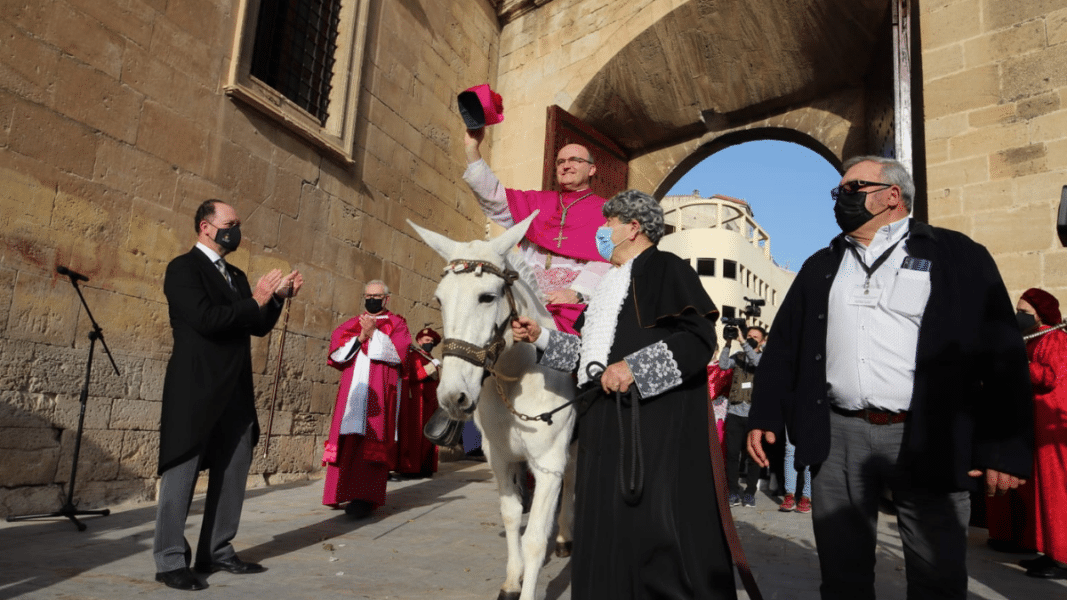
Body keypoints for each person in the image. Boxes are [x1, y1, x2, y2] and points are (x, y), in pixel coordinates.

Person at [747, 156, 1034, 599]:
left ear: (892, 196)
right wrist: (765, 413)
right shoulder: (821, 266)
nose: (839, 199)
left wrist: (1004, 448)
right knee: (843, 577)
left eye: (850, 189)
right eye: (838, 191)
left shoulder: (957, 256)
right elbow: (784, 347)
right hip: (838, 435)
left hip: (928, 435)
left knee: (937, 577)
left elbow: (1002, 355)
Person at [511, 189, 735, 599]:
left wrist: (634, 369)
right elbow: (587, 358)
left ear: (633, 228)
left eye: (608, 224)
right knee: (601, 523)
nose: (601, 231)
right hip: (602, 423)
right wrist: (540, 336)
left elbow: (699, 340)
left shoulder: (666, 268)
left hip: (648, 427)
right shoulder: (608, 283)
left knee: (651, 529)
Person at [154, 199, 303, 591]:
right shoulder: (182, 269)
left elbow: (254, 324)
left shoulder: (235, 275)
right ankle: (170, 559)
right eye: (230, 223)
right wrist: (254, 300)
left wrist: (275, 300)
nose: (235, 229)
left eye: (237, 223)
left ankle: (217, 550)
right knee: (181, 472)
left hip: (235, 389)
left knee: (234, 467)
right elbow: (205, 319)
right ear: (206, 227)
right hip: (195, 387)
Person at [463, 128, 610, 334]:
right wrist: (472, 149)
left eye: (575, 160)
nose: (566, 166)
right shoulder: (537, 202)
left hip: (573, 306)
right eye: (560, 162)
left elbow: (609, 259)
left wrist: (576, 293)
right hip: (527, 298)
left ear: (592, 169)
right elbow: (493, 197)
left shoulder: (608, 211)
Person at [987, 288, 1067, 578]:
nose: (1018, 316)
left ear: (1040, 313)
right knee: (1039, 492)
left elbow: (1049, 376)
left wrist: (1017, 363)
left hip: (1050, 424)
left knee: (1055, 492)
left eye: (1025, 312)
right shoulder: (1032, 338)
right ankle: (1048, 551)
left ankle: (1062, 557)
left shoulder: (1054, 337)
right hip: (1033, 423)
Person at [323, 280, 411, 518]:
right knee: (347, 440)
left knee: (371, 441)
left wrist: (375, 334)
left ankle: (364, 497)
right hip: (354, 391)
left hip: (379, 392)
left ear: (386, 300)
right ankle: (338, 491)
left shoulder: (397, 324)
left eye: (377, 296)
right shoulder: (353, 323)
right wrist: (361, 337)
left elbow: (399, 354)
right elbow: (338, 354)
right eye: (368, 295)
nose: (372, 299)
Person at [720, 325, 766, 508]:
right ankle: (732, 491)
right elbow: (723, 364)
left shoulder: (764, 357)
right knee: (732, 454)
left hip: (755, 415)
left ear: (762, 341)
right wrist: (728, 343)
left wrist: (743, 342)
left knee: (753, 456)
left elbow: (756, 362)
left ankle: (749, 493)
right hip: (735, 413)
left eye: (755, 337)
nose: (750, 339)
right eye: (748, 336)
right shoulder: (738, 357)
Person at [397, 327, 442, 478]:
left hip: (430, 401)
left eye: (431, 341)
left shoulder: (430, 358)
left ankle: (425, 467)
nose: (429, 343)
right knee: (415, 435)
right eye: (426, 340)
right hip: (417, 401)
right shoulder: (413, 356)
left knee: (429, 436)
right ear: (419, 341)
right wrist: (430, 367)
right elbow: (413, 376)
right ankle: (411, 468)